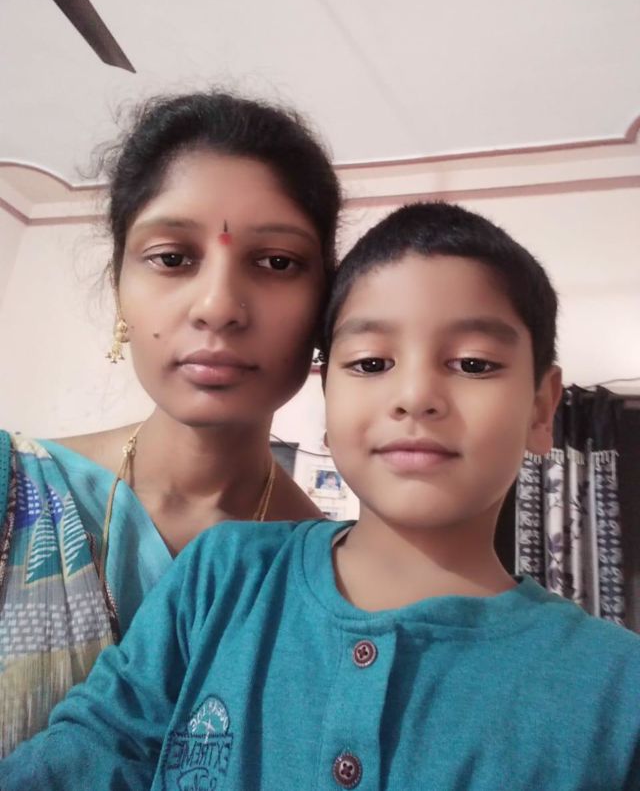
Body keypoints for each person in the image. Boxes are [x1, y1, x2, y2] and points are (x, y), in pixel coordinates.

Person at [2, 201, 639, 790]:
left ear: (541, 408)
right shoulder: (221, 576)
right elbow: (96, 748)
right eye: (371, 363)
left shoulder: (617, 687)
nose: (415, 396)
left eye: (473, 363)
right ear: (328, 399)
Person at [0, 89, 341, 754]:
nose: (218, 306)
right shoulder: (14, 492)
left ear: (326, 304)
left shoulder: (338, 581)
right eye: (173, 257)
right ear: (120, 285)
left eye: (277, 262)